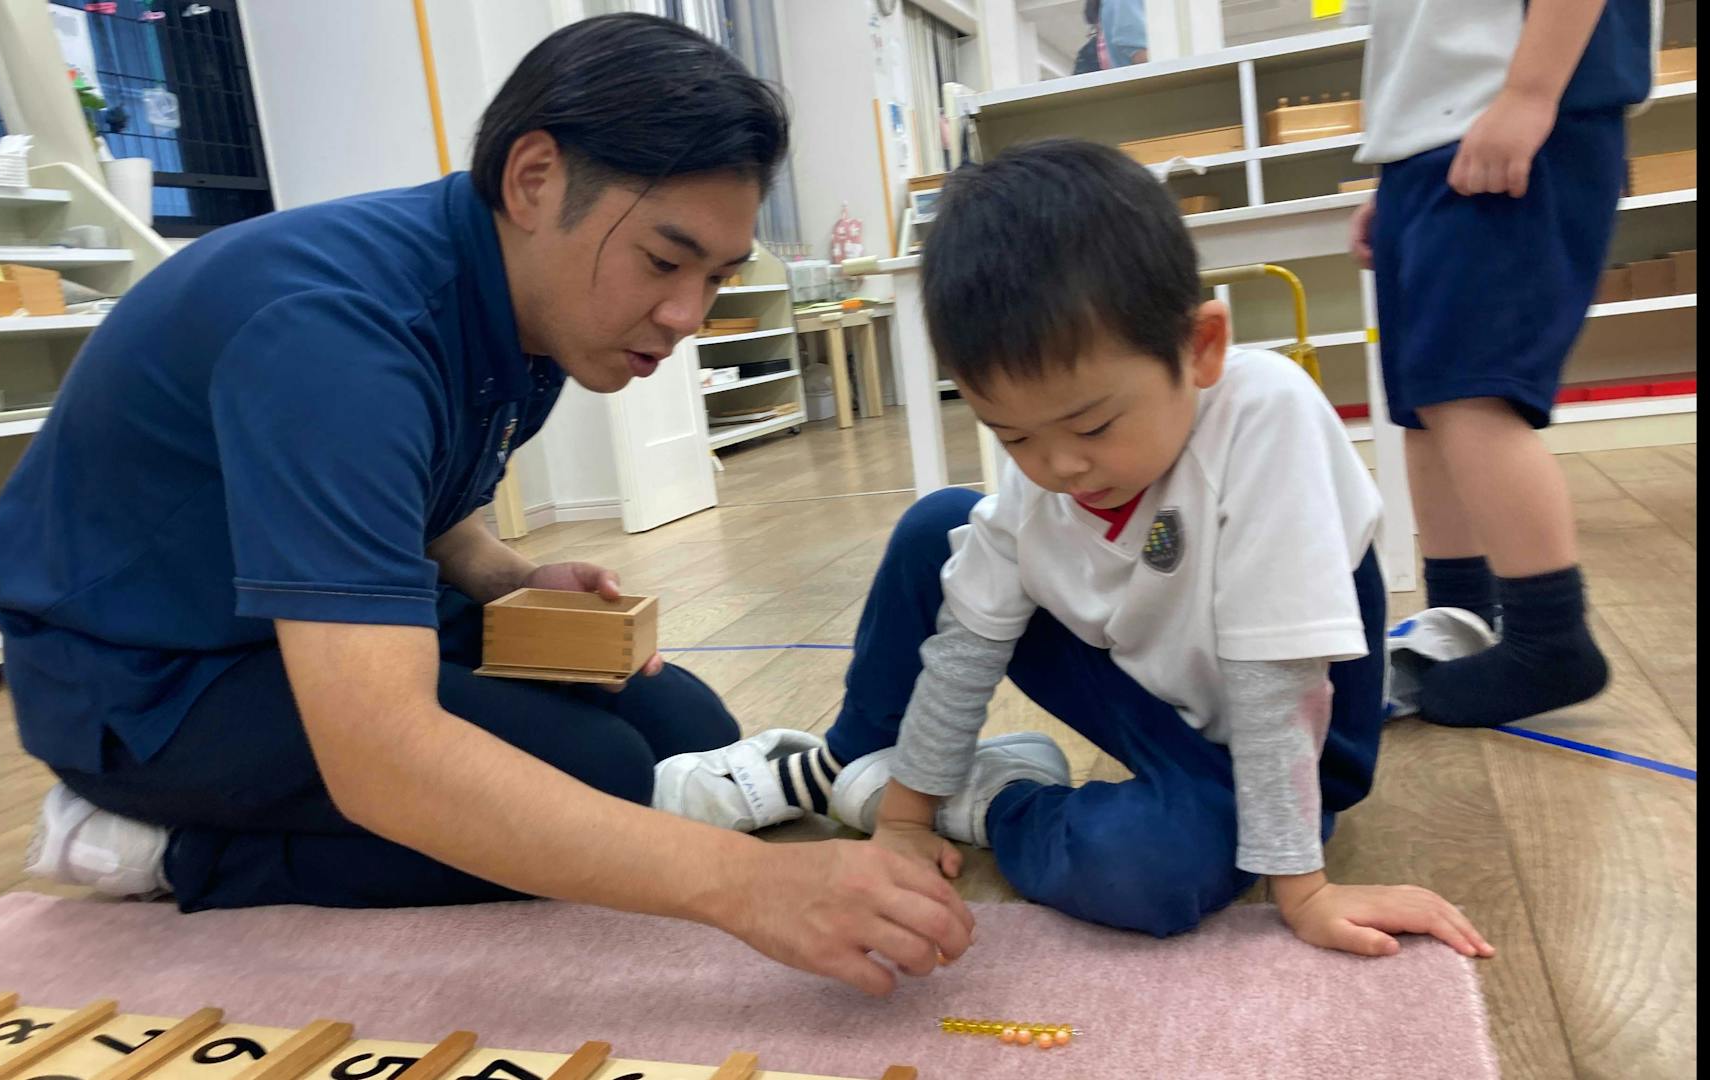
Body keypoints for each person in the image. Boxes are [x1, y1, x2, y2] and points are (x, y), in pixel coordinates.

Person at [0, 13, 973, 998]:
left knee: (685, 729)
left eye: (714, 278)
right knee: (594, 782)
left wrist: (508, 576)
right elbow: (383, 760)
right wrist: (753, 890)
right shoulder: (339, 338)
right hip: (147, 680)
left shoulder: (521, 311)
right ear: (534, 179)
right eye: (663, 263)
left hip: (283, 616)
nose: (684, 316)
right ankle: (159, 848)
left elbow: (413, 486)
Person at [656, 139, 1495, 960]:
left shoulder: (1266, 413)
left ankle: (993, 798)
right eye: (1013, 433)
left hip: (1276, 734)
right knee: (937, 526)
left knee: (1150, 872)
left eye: (1092, 424)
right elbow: (966, 647)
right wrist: (903, 822)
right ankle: (853, 760)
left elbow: (1279, 687)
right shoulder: (1054, 470)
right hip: (1148, 690)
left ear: (1200, 347)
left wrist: (1304, 891)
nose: (1058, 466)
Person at [1345, 0, 1654, 728]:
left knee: (1470, 395)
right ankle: (1458, 620)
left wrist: (1530, 94)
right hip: (1436, 142)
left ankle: (1550, 639)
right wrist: (1400, 163)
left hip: (1511, 117)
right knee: (1424, 404)